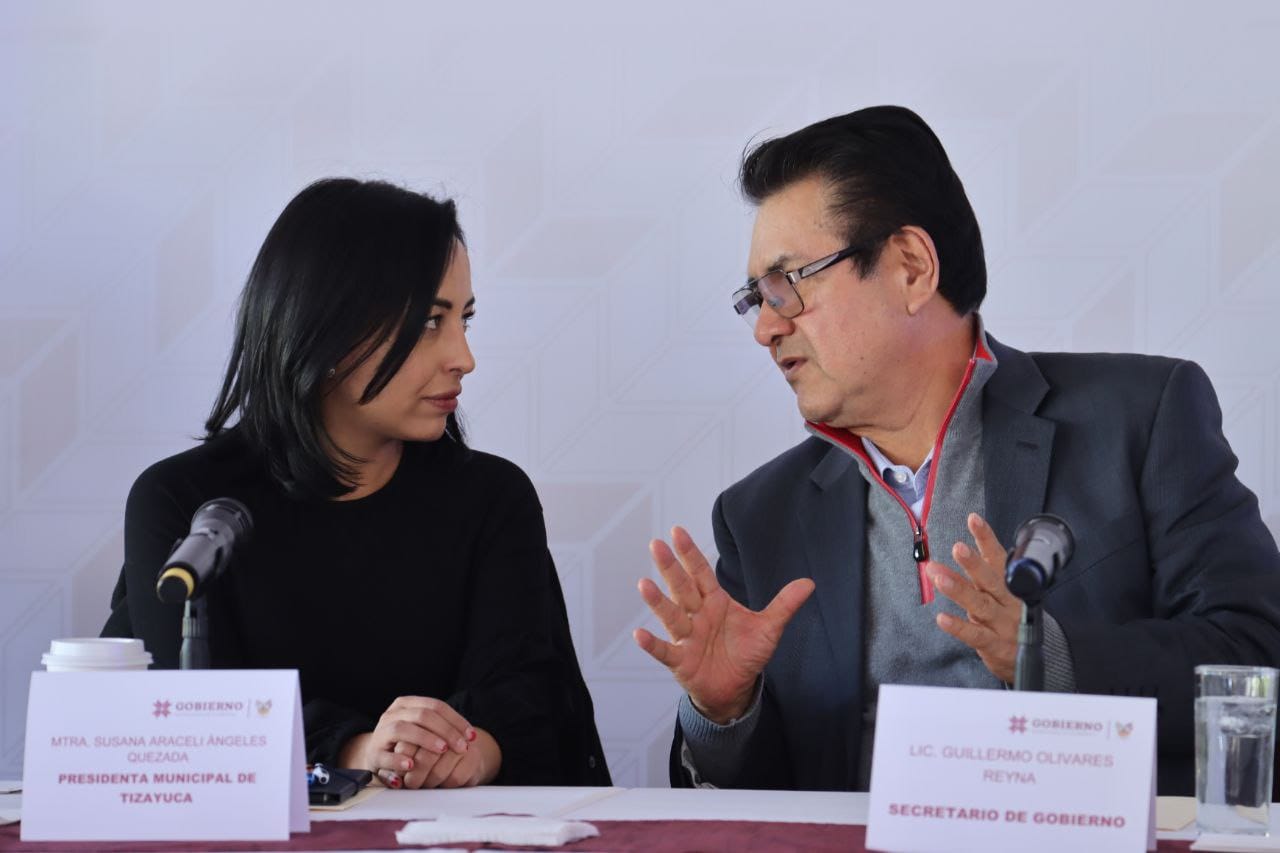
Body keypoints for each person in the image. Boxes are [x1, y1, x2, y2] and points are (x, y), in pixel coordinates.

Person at [633, 105, 1280, 795]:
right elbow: (758, 801)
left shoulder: (1137, 419)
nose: (766, 328)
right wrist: (723, 712)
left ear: (911, 267)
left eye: (787, 284)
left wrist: (1049, 657)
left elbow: (1255, 662)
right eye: (754, 298)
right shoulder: (761, 516)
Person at [102, 178, 609, 789]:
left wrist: (476, 752)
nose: (464, 357)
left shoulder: (493, 498)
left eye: (465, 319)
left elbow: (529, 702)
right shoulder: (188, 504)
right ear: (326, 328)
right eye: (430, 321)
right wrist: (359, 748)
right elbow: (188, 718)